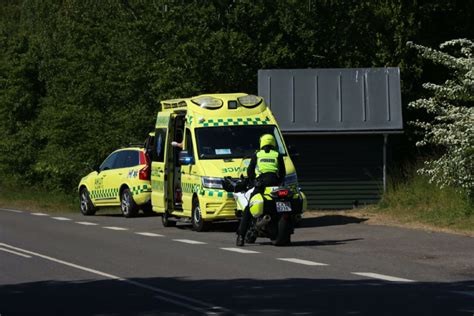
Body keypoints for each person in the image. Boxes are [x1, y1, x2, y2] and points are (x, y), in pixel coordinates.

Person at [236, 134, 286, 246]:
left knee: (248, 209)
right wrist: (278, 181)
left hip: (262, 184)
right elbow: (282, 172)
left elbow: (250, 171)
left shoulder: (257, 154)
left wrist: (254, 181)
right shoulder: (277, 154)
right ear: (273, 142)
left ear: (262, 142)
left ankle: (241, 236)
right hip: (275, 184)